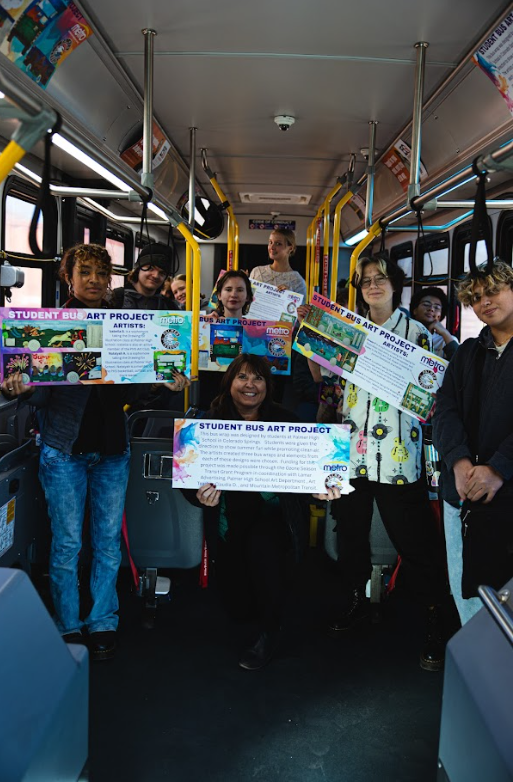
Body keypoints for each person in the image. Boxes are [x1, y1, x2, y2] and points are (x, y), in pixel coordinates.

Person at [0, 244, 181, 661]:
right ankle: (68, 623)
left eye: (103, 273)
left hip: (113, 449)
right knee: (66, 545)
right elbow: (41, 396)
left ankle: (103, 619)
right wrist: (24, 388)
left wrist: (162, 381)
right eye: (87, 272)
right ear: (70, 277)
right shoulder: (48, 327)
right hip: (65, 450)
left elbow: (132, 390)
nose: (96, 280)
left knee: (106, 543)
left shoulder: (122, 327)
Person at [328, 253, 455, 671]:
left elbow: (431, 396)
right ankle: (355, 600)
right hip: (351, 455)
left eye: (381, 279)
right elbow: (326, 382)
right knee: (350, 537)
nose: (373, 286)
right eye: (366, 281)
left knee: (417, 546)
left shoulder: (419, 334)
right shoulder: (346, 329)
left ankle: (437, 619)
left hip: (399, 458)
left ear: (396, 285)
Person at [188, 353, 338, 671]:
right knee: (239, 610)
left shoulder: (288, 422)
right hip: (230, 522)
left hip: (274, 518)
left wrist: (319, 488)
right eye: (242, 377)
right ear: (229, 383)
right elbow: (188, 481)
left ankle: (270, 632)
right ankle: (260, 606)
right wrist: (201, 496)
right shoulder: (207, 423)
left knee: (263, 546)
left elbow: (313, 472)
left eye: (258, 378)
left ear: (268, 386)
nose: (250, 384)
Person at [433, 260, 513, 624]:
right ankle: (478, 672)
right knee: (465, 590)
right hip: (462, 493)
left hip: (507, 493)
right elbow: (444, 410)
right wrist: (460, 463)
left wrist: (498, 467)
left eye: (493, 291)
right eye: (477, 297)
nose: (485, 302)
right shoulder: (467, 353)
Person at [109, 242, 177, 310]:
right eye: (150, 268)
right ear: (138, 269)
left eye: (162, 273)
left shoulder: (169, 306)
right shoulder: (116, 298)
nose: (156, 276)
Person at [250, 229, 307, 298]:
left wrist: (289, 298)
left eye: (278, 244)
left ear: (290, 248)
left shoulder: (298, 282)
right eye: (270, 242)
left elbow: (301, 307)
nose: (272, 247)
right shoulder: (257, 272)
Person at [410, 287, 459, 359]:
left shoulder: (446, 340)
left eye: (437, 307)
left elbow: (459, 365)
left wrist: (445, 333)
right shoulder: (404, 333)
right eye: (426, 304)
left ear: (440, 315)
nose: (431, 309)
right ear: (415, 310)